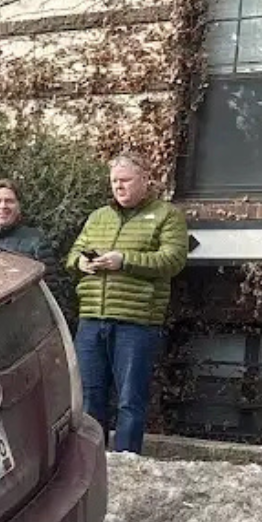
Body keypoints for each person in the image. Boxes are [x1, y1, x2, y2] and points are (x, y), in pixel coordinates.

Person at [63, 153, 189, 454]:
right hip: (92, 318)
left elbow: (173, 259)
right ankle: (93, 462)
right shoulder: (98, 217)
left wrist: (125, 261)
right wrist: (82, 263)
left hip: (137, 321)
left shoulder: (167, 215)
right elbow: (72, 255)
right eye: (114, 181)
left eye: (126, 180)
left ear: (145, 179)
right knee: (90, 397)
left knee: (130, 399)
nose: (119, 187)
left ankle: (127, 461)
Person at [0, 179, 51, 264]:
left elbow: (50, 276)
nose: (3, 206)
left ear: (18, 208)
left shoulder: (36, 241)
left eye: (9, 201)